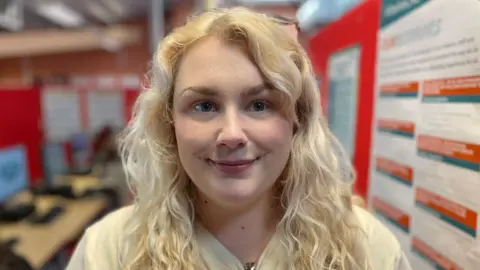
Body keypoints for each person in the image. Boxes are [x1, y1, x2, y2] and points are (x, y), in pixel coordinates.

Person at [66, 8, 411, 270]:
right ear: (169, 123)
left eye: (259, 104)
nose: (231, 134)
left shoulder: (368, 250)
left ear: (298, 120)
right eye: (204, 105)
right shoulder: (107, 252)